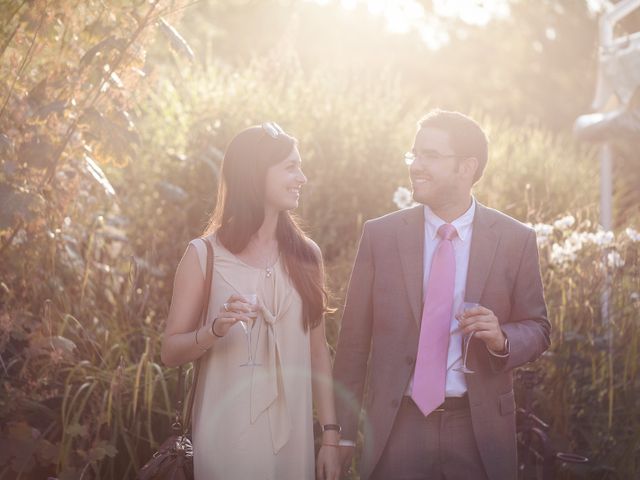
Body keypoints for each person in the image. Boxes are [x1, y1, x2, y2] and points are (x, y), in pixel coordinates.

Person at [333, 110, 551, 480]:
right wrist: (341, 436)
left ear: (466, 167)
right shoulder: (380, 236)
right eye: (414, 154)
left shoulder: (515, 239)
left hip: (478, 430)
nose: (416, 166)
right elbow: (352, 346)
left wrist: (501, 337)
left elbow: (539, 328)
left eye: (430, 156)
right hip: (396, 426)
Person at [161, 122, 341, 480]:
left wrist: (331, 439)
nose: (302, 177)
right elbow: (170, 352)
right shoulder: (203, 255)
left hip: (293, 443)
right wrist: (213, 330)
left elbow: (318, 353)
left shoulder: (307, 256)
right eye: (291, 167)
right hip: (227, 440)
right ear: (256, 174)